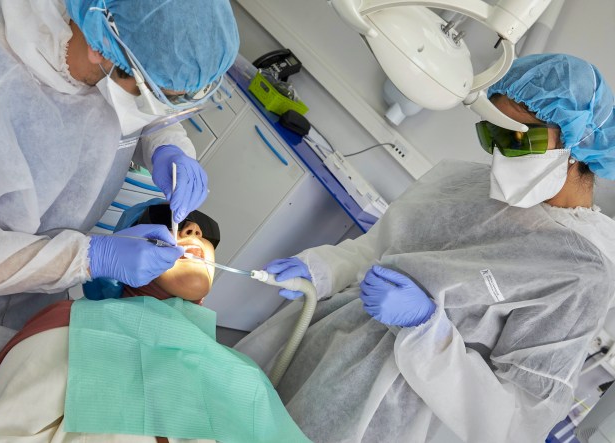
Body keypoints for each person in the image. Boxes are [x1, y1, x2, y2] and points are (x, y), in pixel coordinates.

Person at [0, 0, 239, 440]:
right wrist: (91, 256)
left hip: (19, 304)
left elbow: (146, 106)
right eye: (155, 92)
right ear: (101, 51)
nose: (191, 235)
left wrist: (169, 144)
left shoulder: (109, 49)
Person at [236, 53, 615, 443]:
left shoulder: (581, 272)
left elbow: (514, 421)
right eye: (492, 134)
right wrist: (323, 268)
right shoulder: (461, 181)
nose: (500, 154)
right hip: (319, 349)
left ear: (577, 146)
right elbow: (378, 250)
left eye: (518, 138)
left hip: (385, 417)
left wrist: (425, 331)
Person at [0, 202, 310, 443]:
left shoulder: (243, 371)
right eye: (169, 222)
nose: (194, 229)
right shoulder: (72, 328)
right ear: (125, 251)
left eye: (205, 232)